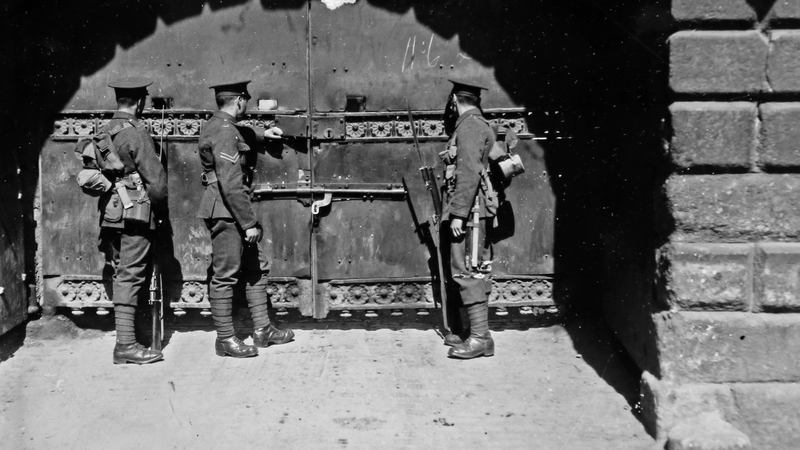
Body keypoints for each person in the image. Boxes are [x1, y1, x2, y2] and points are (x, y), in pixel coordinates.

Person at [198, 80, 294, 358]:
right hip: (227, 212)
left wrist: (264, 134)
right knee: (225, 276)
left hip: (230, 211)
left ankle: (263, 329)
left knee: (256, 268)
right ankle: (225, 339)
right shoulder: (224, 132)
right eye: (246, 100)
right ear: (239, 100)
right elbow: (230, 184)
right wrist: (249, 223)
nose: (247, 104)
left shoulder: (220, 126)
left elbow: (243, 136)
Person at [100, 77, 169, 365]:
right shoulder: (137, 132)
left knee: (122, 272)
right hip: (136, 213)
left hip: (113, 212)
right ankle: (126, 345)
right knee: (130, 275)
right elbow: (157, 183)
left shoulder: (106, 130)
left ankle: (128, 339)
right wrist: (160, 210)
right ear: (139, 102)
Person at [439, 78, 497, 359]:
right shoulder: (474, 123)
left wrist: (458, 215)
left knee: (468, 270)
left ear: (454, 101)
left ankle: (480, 338)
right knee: (471, 268)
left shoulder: (471, 126)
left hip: (471, 213)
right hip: (472, 211)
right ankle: (474, 334)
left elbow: (469, 174)